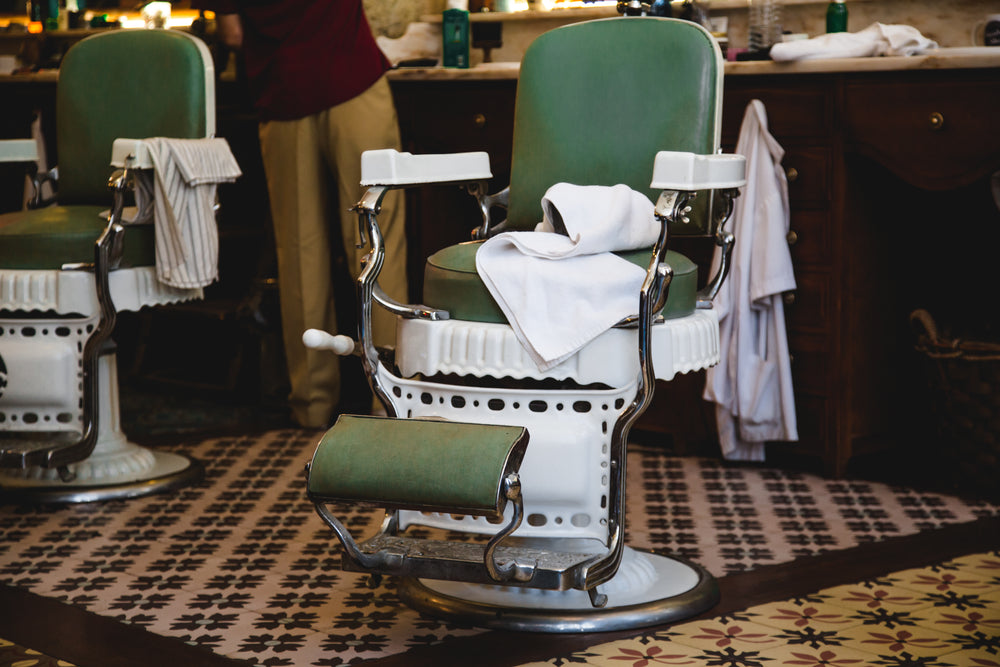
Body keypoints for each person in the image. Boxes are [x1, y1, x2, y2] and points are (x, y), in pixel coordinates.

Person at [199, 0, 408, 428]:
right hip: (351, 77)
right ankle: (393, 397)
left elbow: (233, 32)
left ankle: (311, 403)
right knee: (377, 242)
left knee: (299, 252)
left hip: (284, 86)